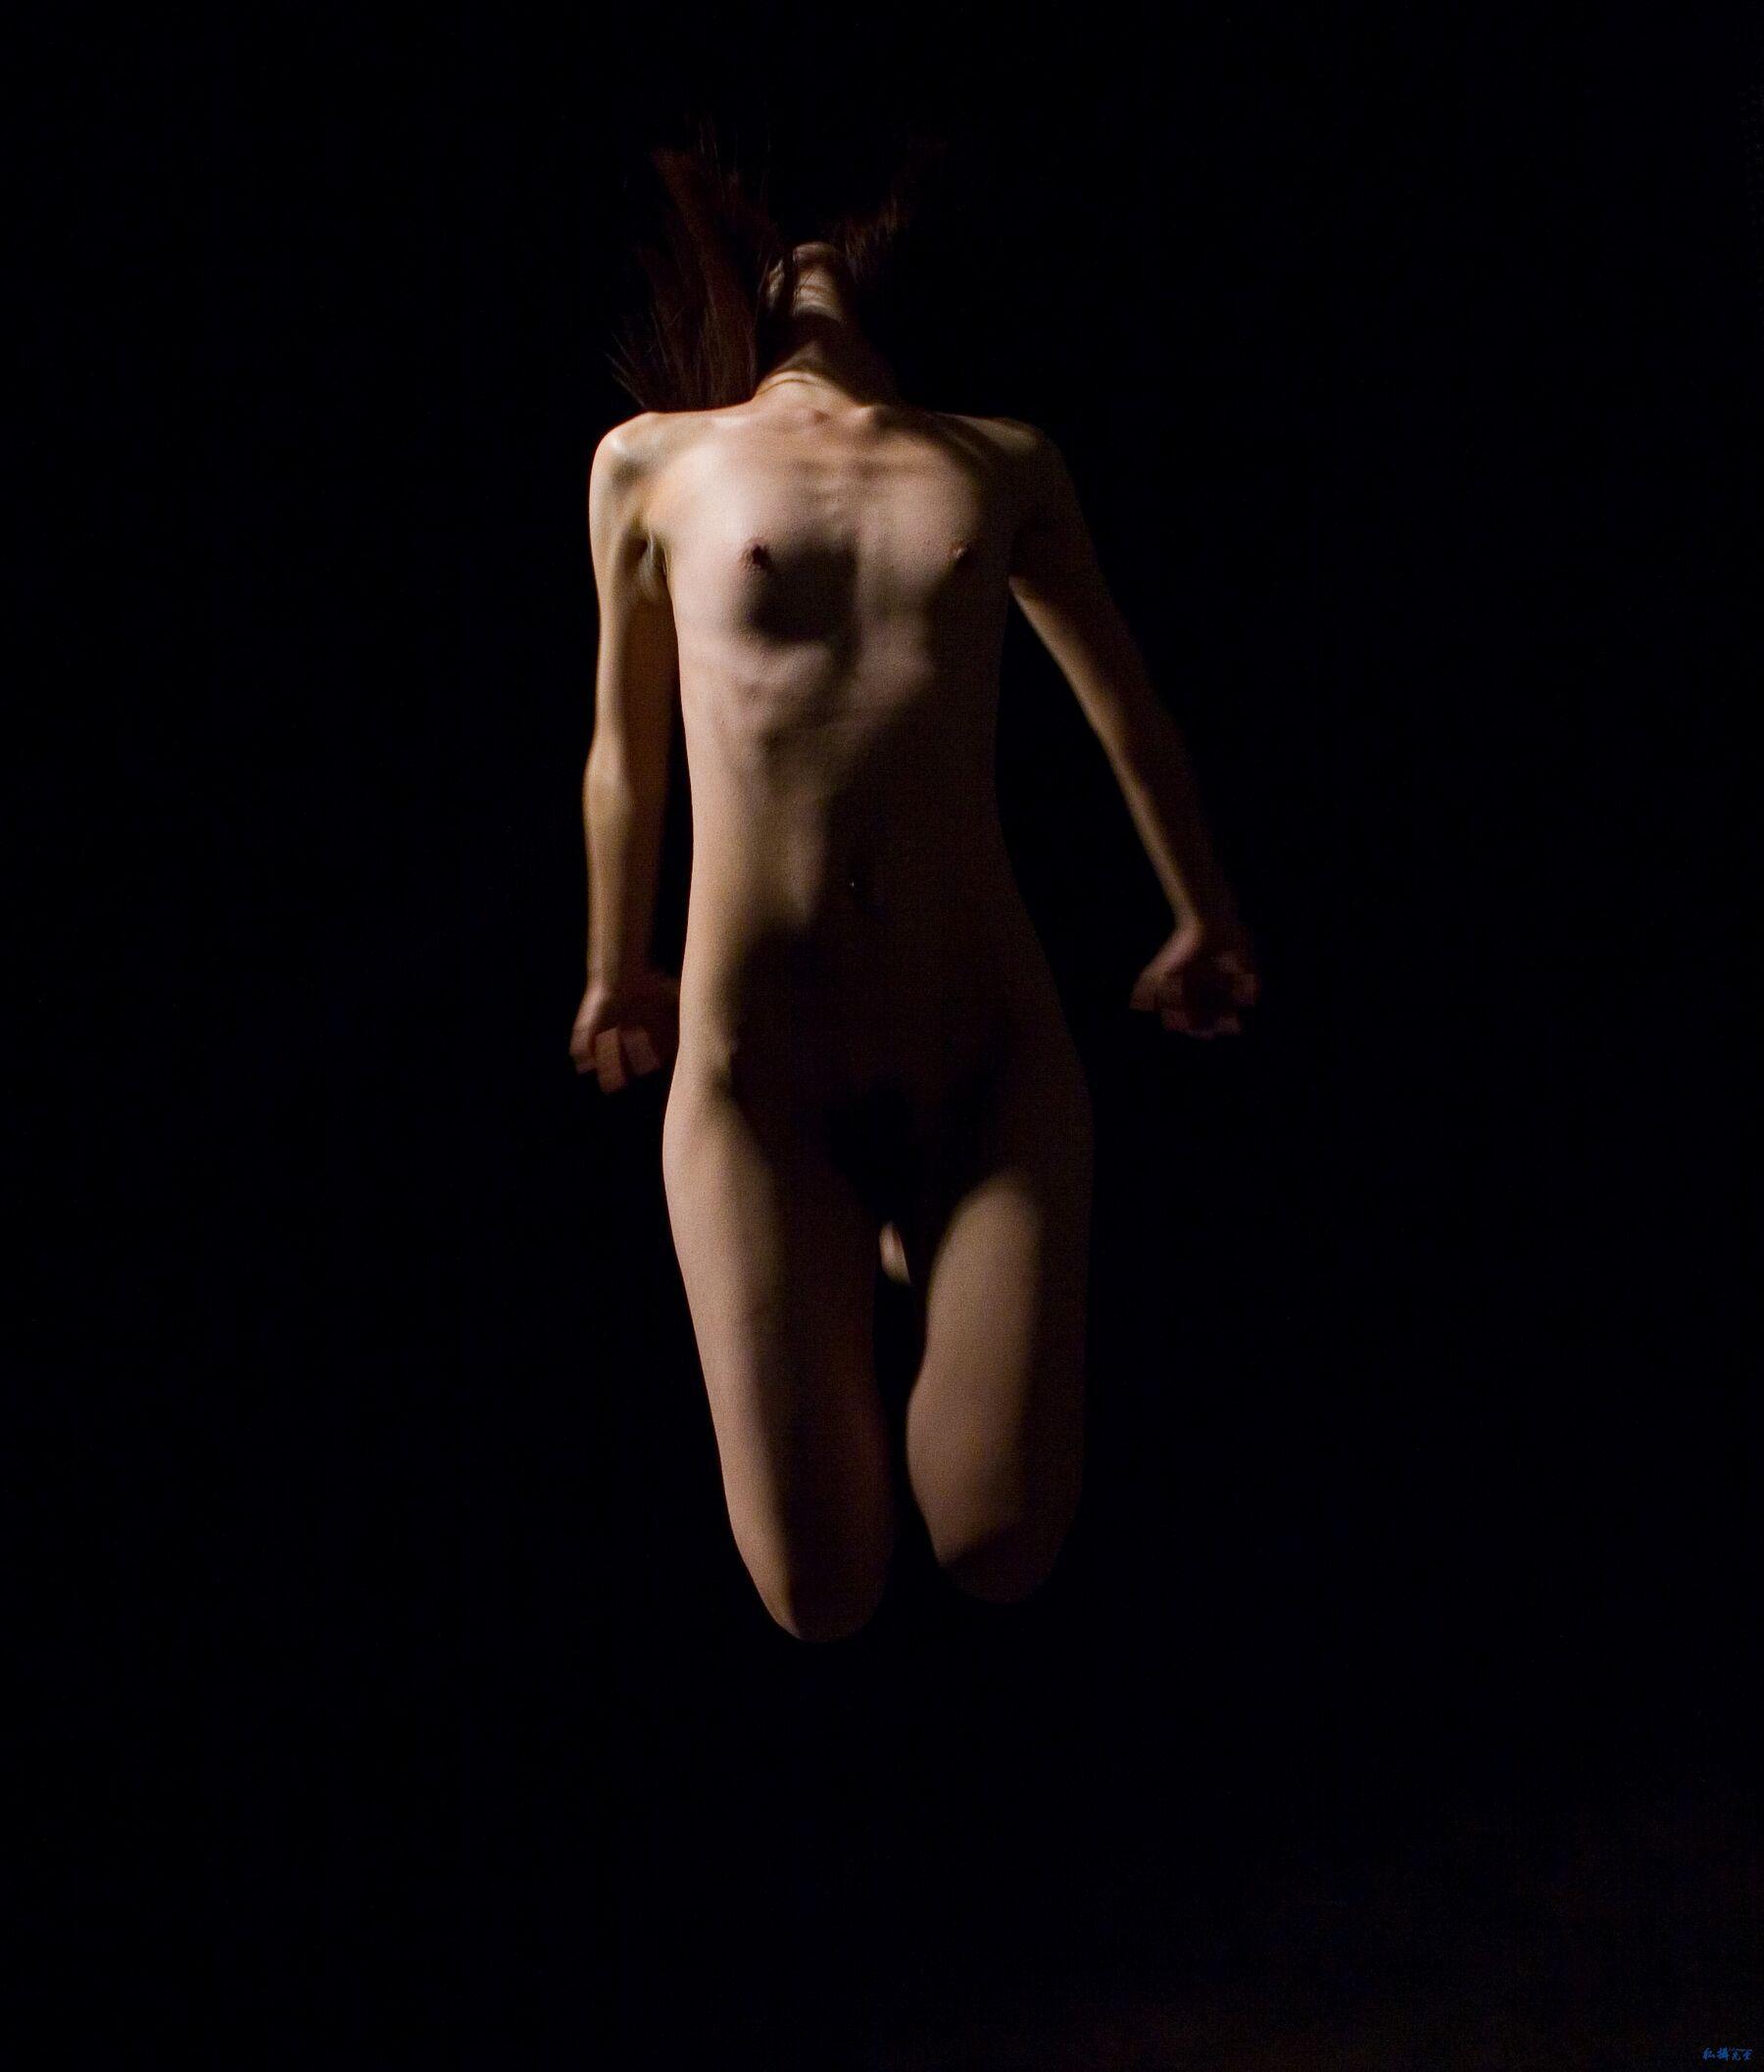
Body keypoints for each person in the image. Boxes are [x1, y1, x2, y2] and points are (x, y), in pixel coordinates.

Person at [569, 139, 1260, 1643]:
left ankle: (911, 1234)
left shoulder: (999, 459)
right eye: (794, 250)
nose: (816, 263)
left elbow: (1126, 706)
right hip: (759, 1067)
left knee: (997, 1535)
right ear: (754, 287)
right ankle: (873, 1236)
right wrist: (614, 956)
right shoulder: (652, 460)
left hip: (981, 1045)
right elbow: (623, 748)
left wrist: (1202, 909)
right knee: (818, 1588)